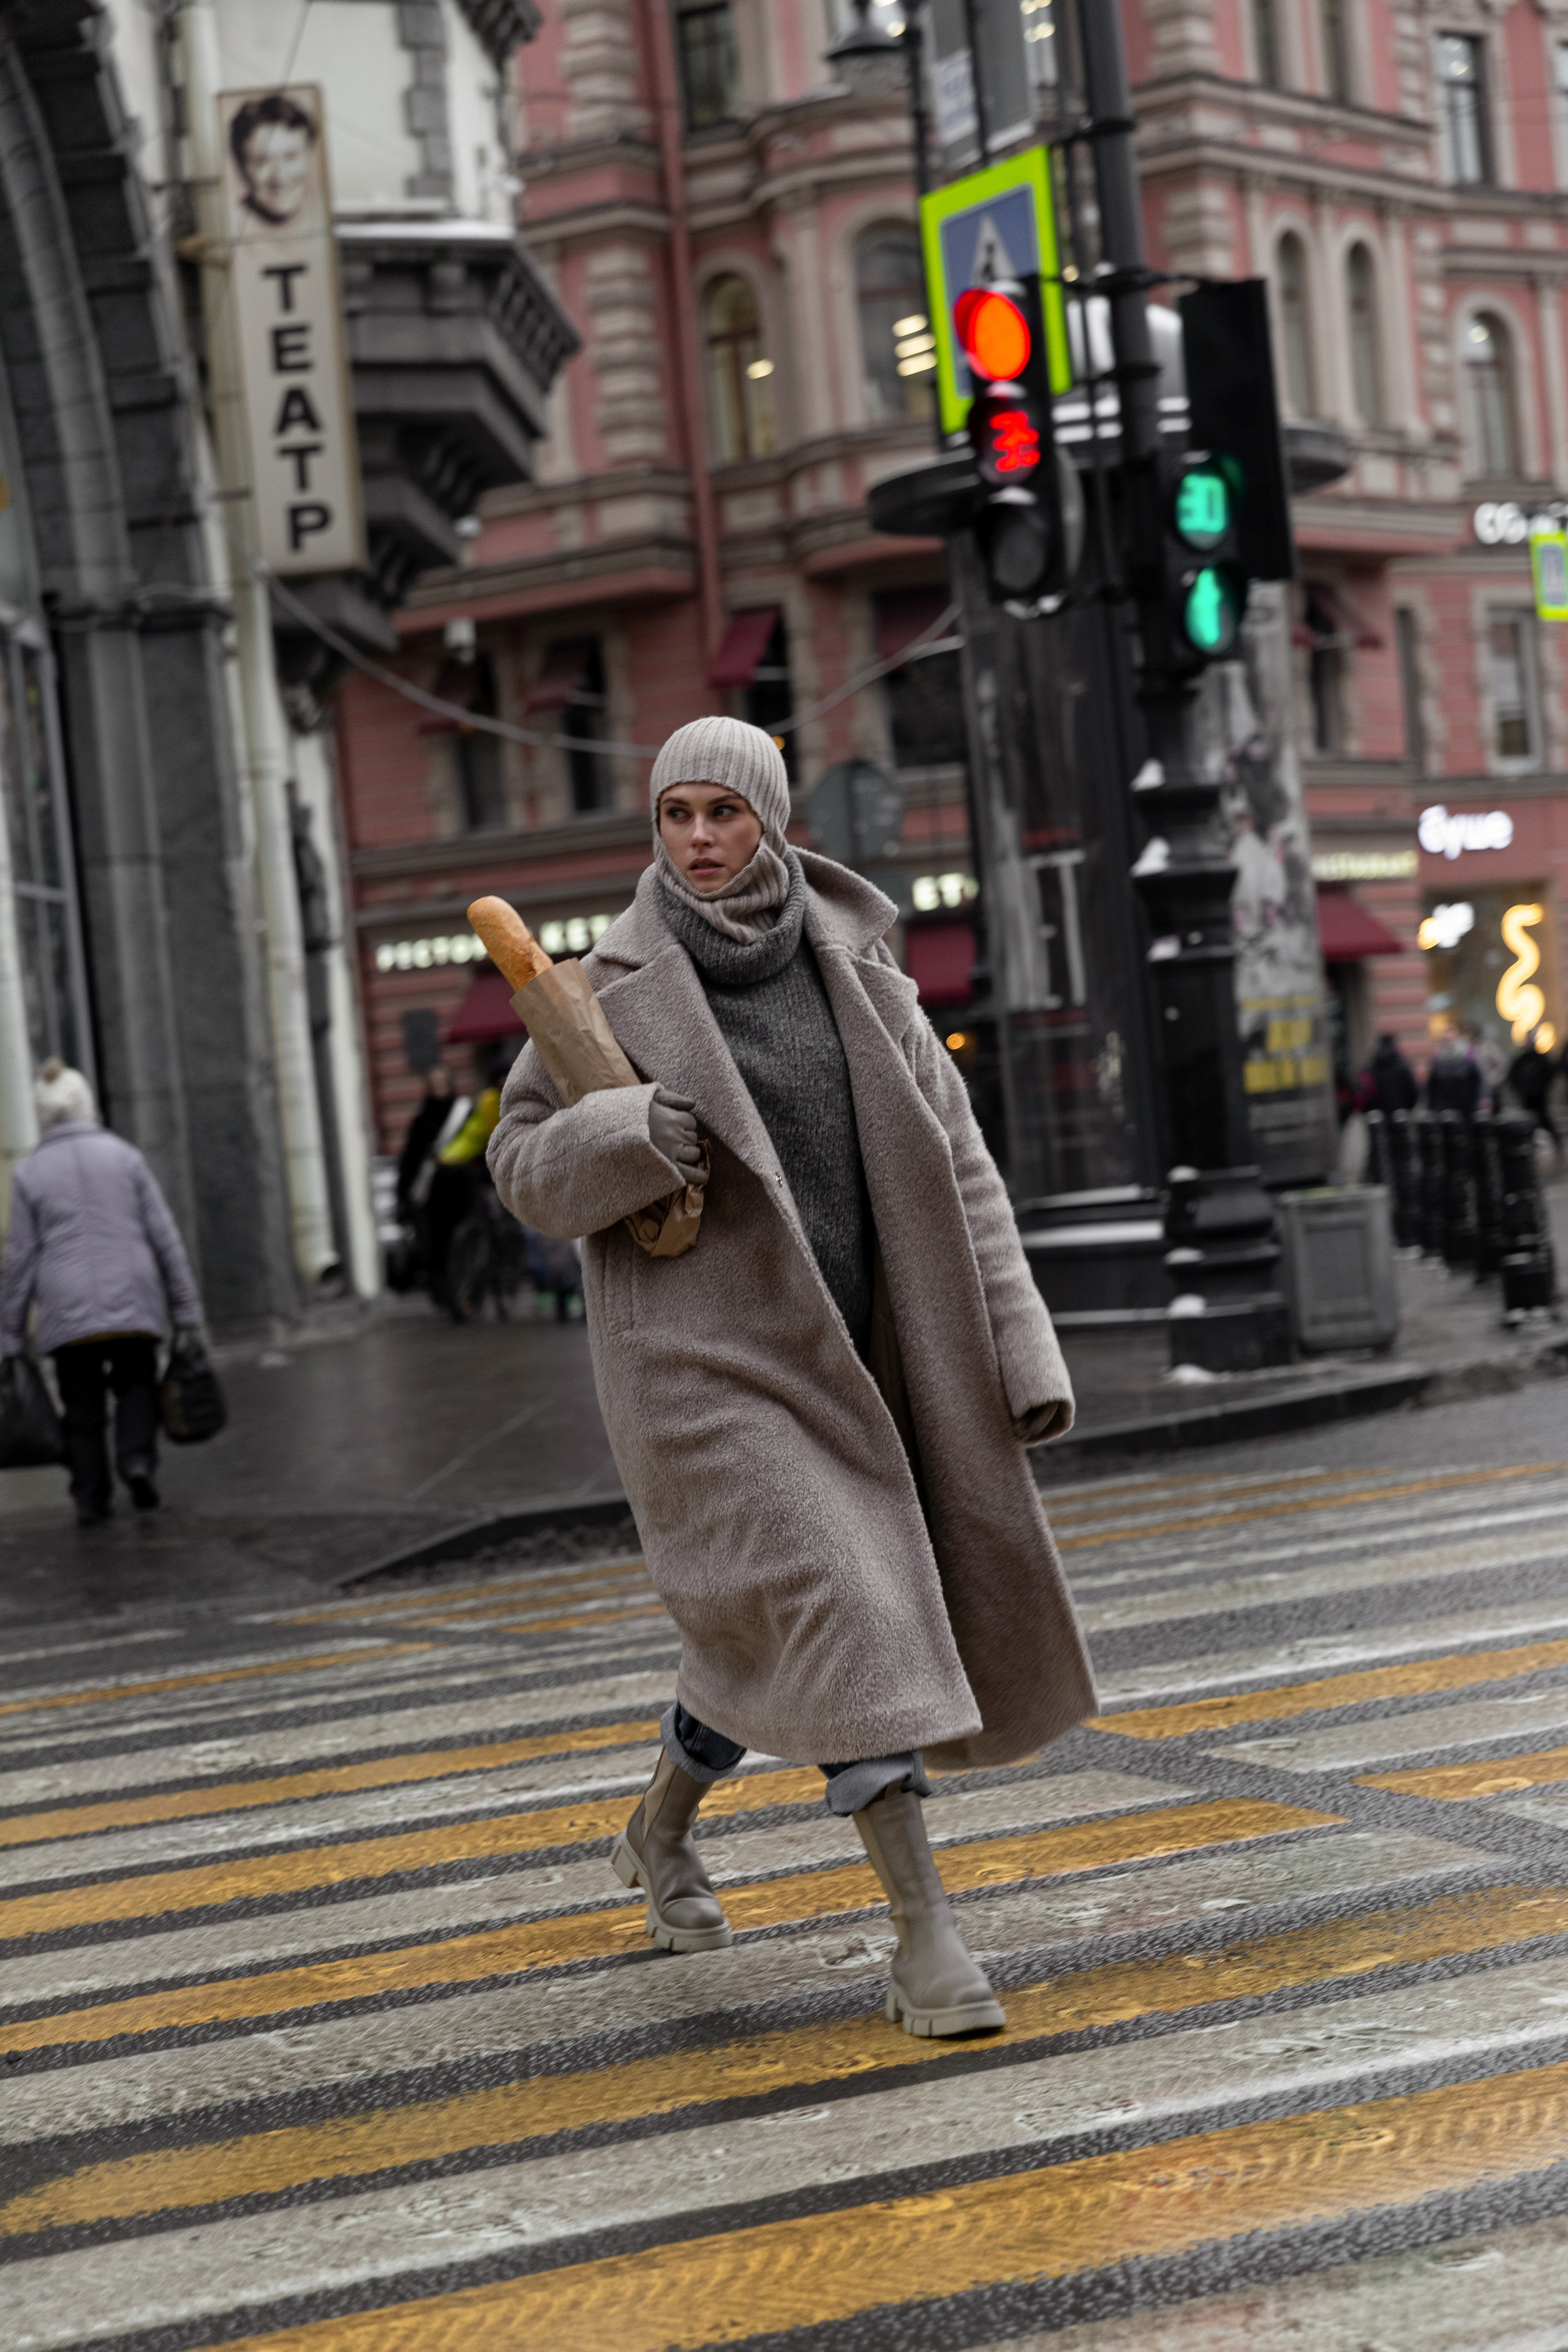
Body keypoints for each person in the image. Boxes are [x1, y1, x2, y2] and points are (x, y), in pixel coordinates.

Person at [489, 717, 1093, 2040]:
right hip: (704, 1370)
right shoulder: (605, 986)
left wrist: (1020, 1348)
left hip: (871, 1352)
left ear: (769, 821)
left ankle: (657, 1832)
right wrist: (621, 1131)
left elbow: (963, 1169)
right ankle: (926, 1941)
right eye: (676, 814)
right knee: (847, 1604)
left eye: (724, 812)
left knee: (762, 1636)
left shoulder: (860, 968)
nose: (699, 839)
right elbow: (519, 1164)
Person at [0, 1061, 203, 1526]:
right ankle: (136, 1461)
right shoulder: (125, 1158)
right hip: (132, 1296)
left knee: (82, 1406)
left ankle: (90, 1498)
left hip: (66, 1308)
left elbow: (20, 1259)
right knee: (137, 1384)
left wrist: (9, 1336)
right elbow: (165, 1237)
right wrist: (186, 1310)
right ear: (86, 1104)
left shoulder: (30, 1174)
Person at [228, 92, 318, 232]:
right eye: (262, 161)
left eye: (290, 157)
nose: (280, 176)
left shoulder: (323, 216)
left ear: (309, 155)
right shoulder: (231, 225)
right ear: (242, 165)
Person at [1507, 1031, 1561, 1157]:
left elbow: (1550, 1073)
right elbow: (1513, 1077)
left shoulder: (1540, 1058)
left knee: (1544, 1119)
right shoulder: (1521, 1059)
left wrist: (1540, 1087)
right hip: (1526, 1096)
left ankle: (1557, 1143)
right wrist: (1521, 1089)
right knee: (1529, 1122)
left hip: (1539, 1096)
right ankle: (1530, 1148)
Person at [1425, 1025, 1482, 1118]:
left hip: (1465, 1106)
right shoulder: (1438, 1058)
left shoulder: (1468, 1054)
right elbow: (1433, 1085)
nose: (1448, 1038)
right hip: (1443, 1106)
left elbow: (1476, 1081)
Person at [1354, 1034, 1418, 1116]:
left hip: (1378, 1115)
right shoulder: (1403, 1066)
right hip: (1401, 1114)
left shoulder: (1372, 1066)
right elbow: (1413, 1092)